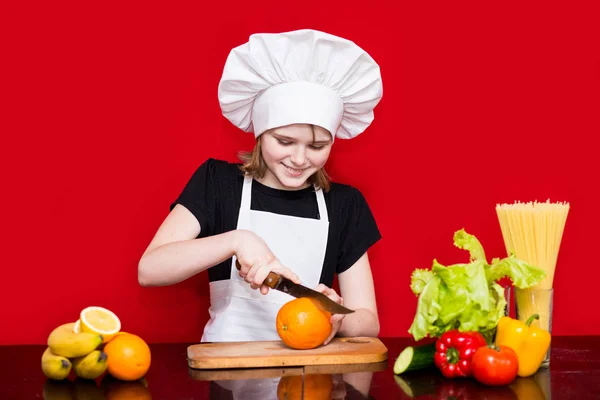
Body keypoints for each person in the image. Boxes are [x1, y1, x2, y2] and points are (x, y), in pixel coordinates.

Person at [138, 29, 384, 345]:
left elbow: (368, 320)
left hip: (309, 380)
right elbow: (150, 269)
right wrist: (237, 241)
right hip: (227, 371)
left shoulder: (345, 204)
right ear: (260, 133)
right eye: (284, 141)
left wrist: (337, 314)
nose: (299, 158)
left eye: (317, 145)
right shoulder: (218, 183)